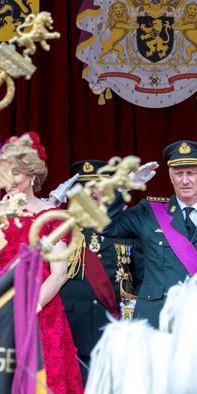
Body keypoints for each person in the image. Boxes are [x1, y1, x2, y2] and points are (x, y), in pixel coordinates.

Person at [0, 132, 83, 394]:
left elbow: (58, 274)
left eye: (16, 172)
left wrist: (27, 310)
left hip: (40, 317)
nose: (9, 180)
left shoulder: (52, 215)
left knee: (42, 392)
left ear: (33, 176)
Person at [100, 140, 197, 327]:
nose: (185, 180)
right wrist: (124, 188)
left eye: (191, 173)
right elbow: (106, 226)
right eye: (178, 174)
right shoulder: (149, 211)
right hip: (158, 318)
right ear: (170, 177)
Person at [60, 159, 143, 381]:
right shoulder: (60, 227)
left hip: (114, 324)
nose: (92, 195)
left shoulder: (126, 225)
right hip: (73, 325)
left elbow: (141, 276)